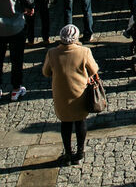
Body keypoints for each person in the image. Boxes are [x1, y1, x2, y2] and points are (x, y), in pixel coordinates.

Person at [42, 24, 99, 166]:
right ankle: (79, 153)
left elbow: (46, 72)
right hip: (79, 93)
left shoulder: (52, 53)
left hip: (62, 94)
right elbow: (94, 69)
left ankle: (68, 153)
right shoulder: (84, 52)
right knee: (80, 122)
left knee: (65, 124)